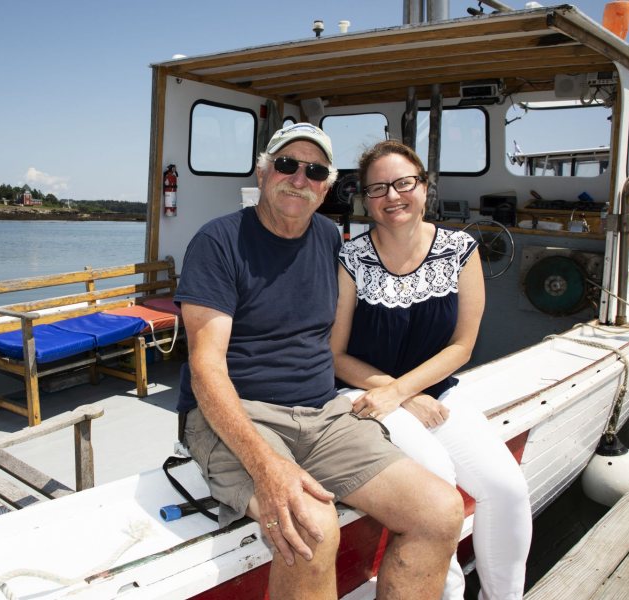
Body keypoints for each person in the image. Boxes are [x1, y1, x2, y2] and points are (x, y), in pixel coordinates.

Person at [176, 123, 464, 599]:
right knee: (312, 528)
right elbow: (207, 368)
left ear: (328, 186)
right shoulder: (218, 242)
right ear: (264, 172)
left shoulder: (330, 238)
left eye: (315, 171)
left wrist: (400, 390)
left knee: (439, 511)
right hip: (240, 413)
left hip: (323, 413)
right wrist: (267, 467)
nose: (299, 179)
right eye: (287, 165)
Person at [331, 139, 532, 600]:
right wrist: (396, 394)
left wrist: (406, 391)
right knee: (438, 485)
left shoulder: (460, 249)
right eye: (378, 188)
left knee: (506, 491)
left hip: (433, 393)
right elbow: (334, 354)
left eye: (404, 183)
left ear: (425, 187)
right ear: (365, 198)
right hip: (365, 393)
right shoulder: (351, 258)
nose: (392, 196)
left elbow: (462, 345)